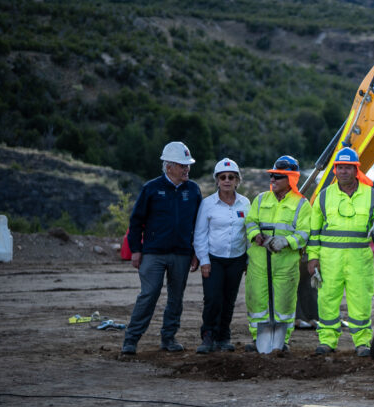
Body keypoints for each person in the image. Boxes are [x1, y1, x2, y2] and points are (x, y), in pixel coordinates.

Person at [307, 148, 374, 356]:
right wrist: (313, 257)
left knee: (360, 300)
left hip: (359, 260)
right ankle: (327, 341)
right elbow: (314, 231)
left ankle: (362, 343)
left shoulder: (371, 195)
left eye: (348, 168)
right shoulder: (324, 196)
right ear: (335, 170)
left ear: (356, 170)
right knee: (327, 299)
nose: (343, 171)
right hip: (329, 260)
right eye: (340, 167)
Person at [121, 141, 202, 354]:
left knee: (176, 298)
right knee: (149, 294)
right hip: (153, 253)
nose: (186, 169)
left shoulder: (193, 190)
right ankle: (131, 340)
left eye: (188, 165)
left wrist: (196, 253)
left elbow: (198, 225)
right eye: (182, 165)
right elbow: (136, 221)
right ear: (168, 166)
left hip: (182, 254)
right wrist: (136, 250)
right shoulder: (151, 188)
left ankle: (168, 338)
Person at [243, 155, 311, 352]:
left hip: (286, 264)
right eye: (272, 176)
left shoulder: (301, 204)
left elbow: (304, 233)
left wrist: (286, 242)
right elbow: (250, 221)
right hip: (258, 263)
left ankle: (282, 342)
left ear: (290, 179)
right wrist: (256, 235)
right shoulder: (261, 199)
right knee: (257, 301)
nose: (272, 180)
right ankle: (258, 339)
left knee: (284, 304)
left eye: (277, 177)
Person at [192, 158, 250, 354]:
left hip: (237, 259)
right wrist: (204, 261)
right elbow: (200, 234)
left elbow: (249, 233)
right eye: (223, 177)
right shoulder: (207, 204)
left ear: (237, 180)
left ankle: (224, 336)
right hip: (214, 259)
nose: (227, 180)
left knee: (229, 299)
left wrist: (248, 260)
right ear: (217, 180)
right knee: (213, 298)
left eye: (231, 177)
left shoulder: (246, 203)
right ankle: (208, 335)